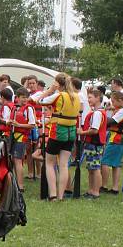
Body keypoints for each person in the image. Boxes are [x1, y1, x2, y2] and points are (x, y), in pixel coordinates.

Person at [38, 73, 80, 201]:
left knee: (49, 163)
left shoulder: (59, 95)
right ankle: (61, 196)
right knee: (63, 165)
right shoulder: (76, 96)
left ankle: (53, 195)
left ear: (58, 84)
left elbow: (40, 101)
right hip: (71, 133)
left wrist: (50, 90)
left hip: (58, 132)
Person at [0, 88, 35, 192]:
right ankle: (10, 182)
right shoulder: (14, 108)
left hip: (21, 136)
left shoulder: (29, 109)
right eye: (22, 97)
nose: (25, 100)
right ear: (17, 98)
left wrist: (19, 125)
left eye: (26, 97)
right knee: (10, 159)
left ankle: (20, 186)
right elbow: (7, 120)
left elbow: (32, 125)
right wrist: (6, 121)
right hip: (11, 135)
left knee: (18, 160)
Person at [99, 92, 123, 194]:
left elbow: (112, 121)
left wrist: (102, 114)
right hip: (120, 136)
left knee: (105, 161)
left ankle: (104, 185)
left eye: (113, 101)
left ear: (120, 100)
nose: (112, 104)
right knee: (116, 164)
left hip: (117, 137)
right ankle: (115, 188)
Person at [77, 89, 107, 199]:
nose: (88, 100)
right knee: (90, 168)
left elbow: (94, 130)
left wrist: (82, 132)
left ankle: (95, 191)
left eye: (90, 98)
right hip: (90, 143)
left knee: (95, 168)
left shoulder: (98, 113)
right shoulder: (95, 112)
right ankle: (90, 190)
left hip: (95, 144)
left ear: (98, 98)